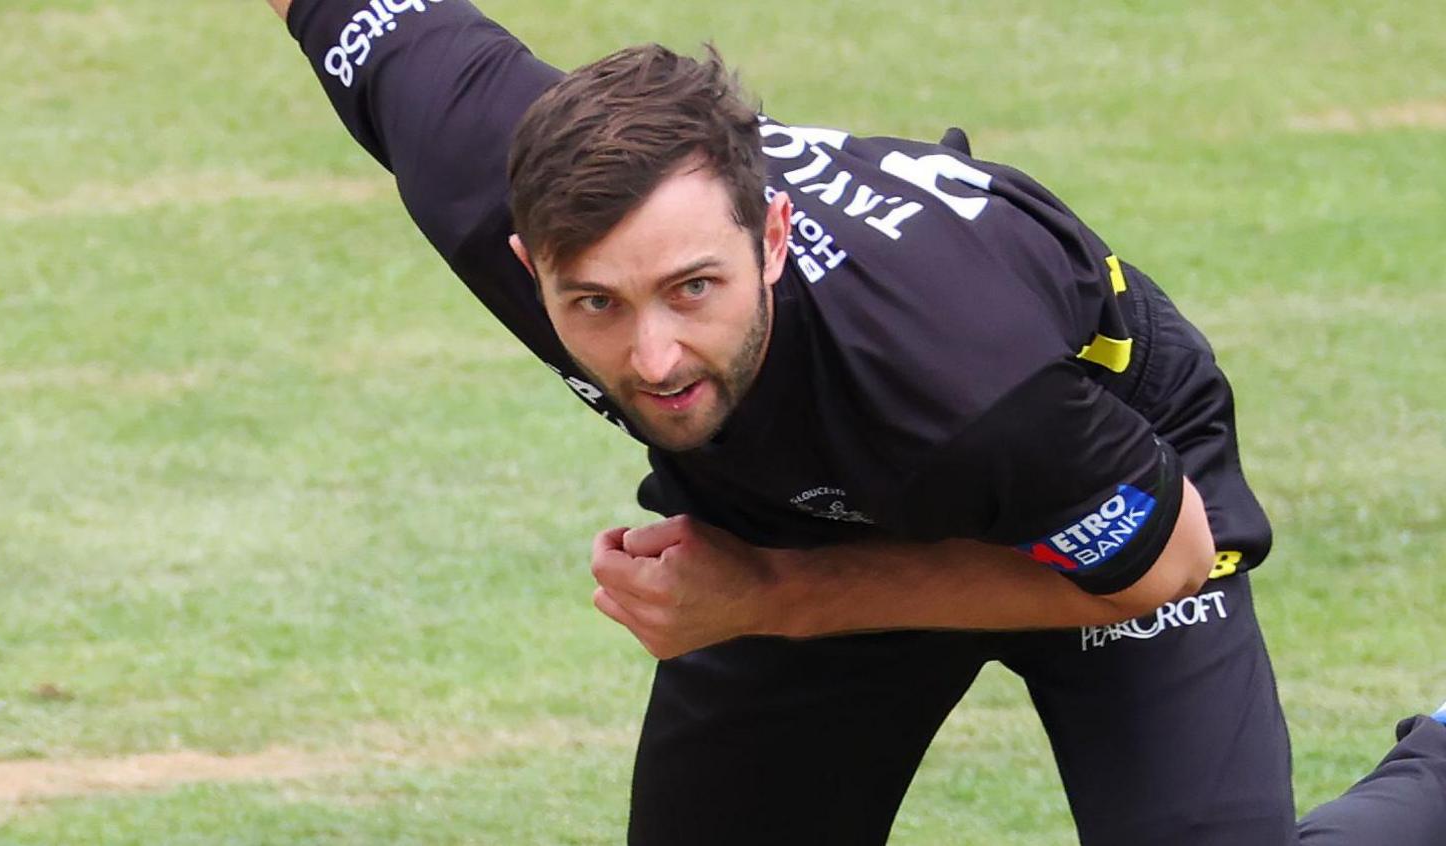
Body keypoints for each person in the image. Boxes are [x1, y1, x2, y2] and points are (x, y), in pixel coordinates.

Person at [264, 0, 1446, 842]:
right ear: (527, 266)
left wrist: (773, 601)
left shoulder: (969, 380)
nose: (655, 356)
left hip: (1090, 488)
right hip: (804, 512)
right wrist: (781, 586)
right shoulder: (486, 160)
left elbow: (1165, 561)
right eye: (595, 304)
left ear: (771, 238)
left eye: (694, 288)